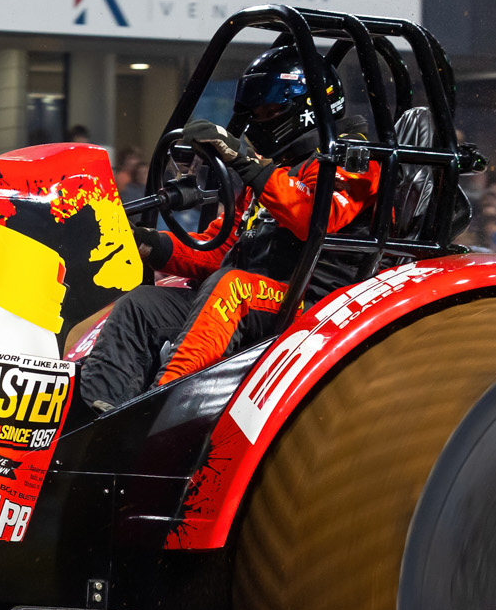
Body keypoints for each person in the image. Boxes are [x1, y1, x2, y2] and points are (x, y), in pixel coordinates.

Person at [79, 48, 381, 413]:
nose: (259, 123)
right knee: (141, 305)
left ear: (307, 110)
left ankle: (160, 410)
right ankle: (97, 416)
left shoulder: (355, 160)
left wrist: (248, 163)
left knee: (232, 287)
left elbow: (315, 217)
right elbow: (220, 249)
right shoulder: (276, 172)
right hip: (252, 296)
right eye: (255, 114)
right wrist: (149, 244)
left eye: (268, 112)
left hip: (313, 304)